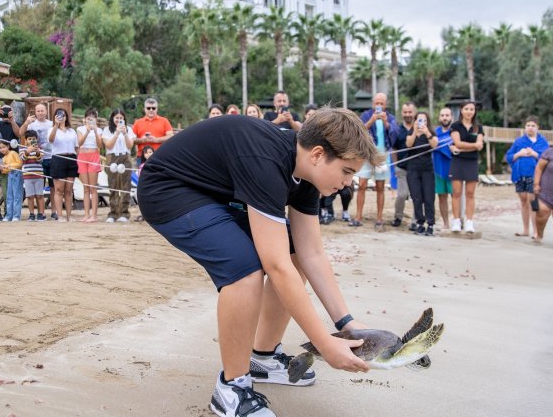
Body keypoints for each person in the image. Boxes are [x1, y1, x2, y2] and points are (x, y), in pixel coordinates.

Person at [137, 108, 376, 417]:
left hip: (214, 195)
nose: (348, 182)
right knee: (246, 269)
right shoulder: (267, 161)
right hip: (167, 190)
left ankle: (263, 356)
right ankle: (232, 388)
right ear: (318, 154)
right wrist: (324, 344)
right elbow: (275, 266)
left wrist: (347, 324)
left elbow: (311, 253)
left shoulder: (305, 175)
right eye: (346, 171)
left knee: (295, 251)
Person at [352, 93, 398, 230]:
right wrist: (372, 120)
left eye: (381, 103)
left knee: (380, 187)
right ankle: (358, 216)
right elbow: (358, 131)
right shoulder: (366, 115)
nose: (379, 106)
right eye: (376, 103)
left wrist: (385, 123)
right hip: (366, 154)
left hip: (382, 155)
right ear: (373, 104)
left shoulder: (390, 117)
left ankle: (379, 218)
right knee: (362, 185)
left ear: (385, 104)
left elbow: (395, 133)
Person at [505, 116, 549, 238]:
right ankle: (525, 229)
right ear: (525, 127)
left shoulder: (542, 142)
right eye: (528, 125)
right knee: (524, 201)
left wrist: (534, 154)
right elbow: (508, 156)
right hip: (519, 175)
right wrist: (519, 153)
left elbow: (547, 158)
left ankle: (536, 231)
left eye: (533, 125)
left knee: (532, 201)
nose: (530, 128)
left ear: (538, 128)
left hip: (534, 175)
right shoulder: (519, 141)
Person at [449, 101, 484, 233]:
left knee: (470, 193)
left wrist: (462, 148)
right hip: (457, 162)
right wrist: (473, 146)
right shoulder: (455, 126)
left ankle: (469, 221)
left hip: (471, 162)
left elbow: (479, 145)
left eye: (472, 109)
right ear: (461, 110)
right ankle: (456, 221)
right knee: (456, 193)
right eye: (466, 109)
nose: (469, 111)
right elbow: (457, 142)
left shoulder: (478, 127)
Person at [405, 111, 438, 236]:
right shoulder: (411, 133)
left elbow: (435, 145)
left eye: (424, 120)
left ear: (427, 122)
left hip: (427, 169)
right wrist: (415, 132)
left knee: (429, 197)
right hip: (413, 169)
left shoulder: (430, 133)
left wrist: (427, 132)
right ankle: (420, 223)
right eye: (419, 120)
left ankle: (430, 224)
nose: (421, 122)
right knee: (416, 197)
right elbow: (408, 144)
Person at [20, 103, 54, 220]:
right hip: (30, 170)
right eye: (38, 111)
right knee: (32, 194)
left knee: (51, 186)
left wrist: (39, 152)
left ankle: (48, 212)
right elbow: (21, 133)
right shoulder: (31, 125)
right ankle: (32, 214)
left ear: (46, 111)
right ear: (35, 112)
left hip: (50, 156)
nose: (40, 112)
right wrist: (26, 122)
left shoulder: (51, 124)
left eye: (42, 110)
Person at [103, 108, 136, 223]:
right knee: (113, 186)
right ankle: (113, 213)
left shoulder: (129, 130)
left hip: (125, 157)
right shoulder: (107, 130)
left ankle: (124, 213)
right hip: (112, 157)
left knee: (126, 186)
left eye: (121, 118)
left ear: (124, 119)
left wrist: (125, 133)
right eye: (117, 117)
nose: (119, 120)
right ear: (112, 118)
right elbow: (108, 145)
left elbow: (130, 145)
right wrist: (117, 133)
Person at [49, 108, 78, 222]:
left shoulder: (72, 131)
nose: (62, 117)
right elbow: (51, 140)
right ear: (55, 117)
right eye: (59, 115)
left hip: (71, 158)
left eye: (63, 115)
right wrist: (56, 125)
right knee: (59, 189)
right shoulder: (52, 129)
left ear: (66, 117)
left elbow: (76, 147)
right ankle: (59, 215)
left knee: (69, 190)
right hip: (58, 158)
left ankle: (69, 215)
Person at [390, 102, 415, 228]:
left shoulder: (419, 128)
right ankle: (398, 217)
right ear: (402, 113)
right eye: (405, 112)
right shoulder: (397, 130)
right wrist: (395, 166)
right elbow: (394, 149)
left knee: (416, 195)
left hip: (416, 168)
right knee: (402, 195)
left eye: (410, 112)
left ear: (414, 112)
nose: (408, 114)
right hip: (402, 168)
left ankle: (416, 220)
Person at [76, 108, 104, 223]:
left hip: (94, 155)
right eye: (88, 118)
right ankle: (86, 214)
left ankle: (94, 215)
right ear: (85, 119)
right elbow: (79, 143)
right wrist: (87, 131)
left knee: (93, 187)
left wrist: (95, 131)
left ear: (96, 119)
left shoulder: (99, 130)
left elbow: (100, 145)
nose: (90, 120)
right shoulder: (80, 129)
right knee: (86, 188)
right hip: (82, 156)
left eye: (92, 118)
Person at [432, 107, 454, 230]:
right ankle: (446, 223)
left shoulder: (455, 132)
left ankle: (458, 220)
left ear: (451, 117)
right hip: (438, 169)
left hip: (453, 168)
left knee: (455, 195)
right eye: (442, 115)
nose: (445, 117)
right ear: (439, 118)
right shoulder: (435, 132)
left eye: (447, 115)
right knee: (441, 196)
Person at [20, 130, 45, 222]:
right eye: (29, 139)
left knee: (40, 195)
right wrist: (27, 151)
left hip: (38, 175)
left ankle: (41, 213)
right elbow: (22, 159)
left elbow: (40, 160)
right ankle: (31, 214)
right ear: (26, 140)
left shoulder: (40, 149)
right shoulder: (22, 149)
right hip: (27, 176)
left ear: (37, 139)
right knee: (30, 196)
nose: (31, 141)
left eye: (33, 139)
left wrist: (37, 152)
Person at [1, 140, 23, 222]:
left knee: (17, 195)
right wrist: (2, 169)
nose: (2, 149)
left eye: (4, 147)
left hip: (17, 174)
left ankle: (16, 215)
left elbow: (19, 164)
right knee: (9, 196)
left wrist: (9, 166)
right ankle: (9, 215)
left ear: (8, 146)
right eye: (0, 148)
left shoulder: (13, 153)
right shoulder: (4, 158)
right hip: (10, 174)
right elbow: (5, 171)